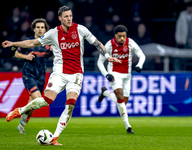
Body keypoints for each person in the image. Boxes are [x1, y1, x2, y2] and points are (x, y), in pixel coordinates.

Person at [2, 6, 121, 146]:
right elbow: (33, 42)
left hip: (76, 74)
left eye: (70, 16)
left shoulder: (80, 29)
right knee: (47, 100)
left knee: (70, 104)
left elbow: (97, 43)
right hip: (59, 73)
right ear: (60, 18)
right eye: (66, 16)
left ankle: (55, 138)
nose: (69, 19)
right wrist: (14, 43)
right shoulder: (53, 33)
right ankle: (19, 111)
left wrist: (108, 56)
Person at [97, 25, 146, 134]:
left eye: (124, 36)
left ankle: (105, 93)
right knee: (119, 96)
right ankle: (128, 126)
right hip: (114, 74)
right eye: (120, 36)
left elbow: (142, 56)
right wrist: (106, 74)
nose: (122, 39)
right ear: (115, 36)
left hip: (127, 76)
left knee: (123, 102)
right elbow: (99, 62)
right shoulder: (109, 45)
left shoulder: (131, 43)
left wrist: (139, 65)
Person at [14, 18, 52, 134]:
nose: (40, 29)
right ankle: (20, 117)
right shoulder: (28, 41)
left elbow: (56, 55)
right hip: (29, 74)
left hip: (41, 76)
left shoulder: (48, 44)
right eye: (38, 27)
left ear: (45, 30)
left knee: (33, 103)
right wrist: (26, 57)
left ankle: (22, 123)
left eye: (42, 27)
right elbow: (16, 53)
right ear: (34, 29)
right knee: (38, 99)